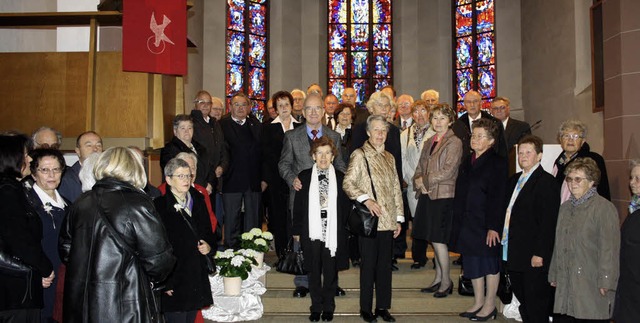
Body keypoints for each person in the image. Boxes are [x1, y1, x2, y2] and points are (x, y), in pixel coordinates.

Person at [59, 147, 176, 322]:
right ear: (134, 168)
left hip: (83, 301)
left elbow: (65, 249)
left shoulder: (81, 202)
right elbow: (159, 259)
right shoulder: (137, 204)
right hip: (125, 300)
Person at [279, 93, 347, 298]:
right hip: (302, 199)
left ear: (324, 111)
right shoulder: (292, 136)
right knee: (303, 240)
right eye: (309, 108)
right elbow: (283, 164)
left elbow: (341, 164)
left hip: (328, 199)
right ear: (303, 111)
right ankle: (303, 282)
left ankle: (331, 283)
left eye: (318, 108)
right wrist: (292, 179)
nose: (314, 112)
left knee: (329, 240)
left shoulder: (334, 136)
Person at [343, 115, 404, 323]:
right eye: (376, 130)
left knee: (385, 267)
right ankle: (365, 308)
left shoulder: (390, 157)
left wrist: (399, 218)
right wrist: (366, 200)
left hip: (387, 221)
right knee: (368, 266)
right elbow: (348, 183)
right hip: (369, 221)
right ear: (368, 132)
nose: (380, 134)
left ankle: (383, 307)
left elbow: (396, 188)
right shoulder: (359, 155)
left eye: (383, 131)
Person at [549, 157, 620, 323]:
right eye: (569, 179)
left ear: (592, 181)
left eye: (578, 179)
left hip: (591, 280)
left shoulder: (604, 208)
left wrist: (606, 281)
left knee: (589, 315)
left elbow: (609, 248)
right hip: (567, 278)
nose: (572, 183)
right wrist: (554, 273)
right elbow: (558, 243)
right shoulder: (565, 207)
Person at [452, 118, 507, 321]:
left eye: (480, 136)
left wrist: (494, 226)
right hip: (468, 222)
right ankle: (478, 301)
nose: (474, 139)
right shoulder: (468, 160)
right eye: (474, 135)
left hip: (486, 224)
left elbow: (498, 197)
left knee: (489, 264)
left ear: (491, 141)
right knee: (472, 263)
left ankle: (490, 304)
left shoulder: (497, 162)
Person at [501, 135, 560, 323]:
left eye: (529, 152)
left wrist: (540, 253)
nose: (523, 156)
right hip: (514, 250)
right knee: (523, 300)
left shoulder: (546, 182)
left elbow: (548, 222)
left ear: (540, 155)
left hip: (533, 254)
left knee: (536, 302)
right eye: (521, 152)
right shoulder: (515, 179)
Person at [291, 137, 350, 322]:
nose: (323, 157)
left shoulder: (341, 178)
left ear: (333, 156)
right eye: (319, 153)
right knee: (313, 271)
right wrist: (297, 231)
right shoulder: (305, 176)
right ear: (313, 156)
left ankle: (329, 307)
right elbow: (298, 206)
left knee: (331, 272)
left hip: (332, 233)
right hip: (311, 232)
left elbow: (346, 207)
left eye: (327, 153)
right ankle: (316, 306)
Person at [0, 134, 54, 322]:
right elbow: (19, 239)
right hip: (15, 292)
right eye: (25, 154)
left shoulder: (13, 188)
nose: (30, 159)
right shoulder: (8, 190)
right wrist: (44, 268)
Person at [155, 158, 215, 323]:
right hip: (175, 276)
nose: (186, 180)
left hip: (195, 274)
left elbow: (209, 232)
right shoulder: (160, 206)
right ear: (168, 179)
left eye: (188, 176)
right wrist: (165, 281)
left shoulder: (198, 200)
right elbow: (158, 246)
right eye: (180, 176)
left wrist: (209, 246)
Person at [412, 104, 462, 294]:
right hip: (427, 194)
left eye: (442, 118)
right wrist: (418, 180)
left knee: (440, 240)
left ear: (450, 121)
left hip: (443, 195)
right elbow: (420, 166)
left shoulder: (454, 142)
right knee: (433, 239)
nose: (438, 122)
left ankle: (447, 281)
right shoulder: (429, 141)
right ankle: (438, 278)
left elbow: (449, 170)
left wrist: (425, 180)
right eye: (435, 118)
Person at [26, 148, 69, 323]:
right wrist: (35, 272)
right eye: (44, 170)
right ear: (34, 174)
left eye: (56, 169)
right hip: (39, 280)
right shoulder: (25, 204)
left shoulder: (69, 205)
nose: (51, 174)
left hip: (63, 278)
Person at [219, 92, 265, 249]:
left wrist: (264, 178)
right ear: (230, 107)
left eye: (243, 105)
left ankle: (251, 252)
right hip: (231, 180)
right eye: (236, 104)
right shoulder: (222, 125)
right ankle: (231, 253)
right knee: (232, 220)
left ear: (249, 107)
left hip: (253, 181)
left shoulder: (256, 125)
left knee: (253, 221)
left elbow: (263, 154)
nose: (240, 108)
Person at [262, 91, 301, 258]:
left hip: (297, 179)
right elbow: (264, 156)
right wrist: (265, 179)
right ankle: (282, 253)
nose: (284, 108)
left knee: (295, 215)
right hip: (276, 180)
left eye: (287, 104)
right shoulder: (267, 128)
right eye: (280, 105)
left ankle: (296, 252)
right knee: (278, 217)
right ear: (275, 109)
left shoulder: (300, 127)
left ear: (292, 106)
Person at [401, 100, 437, 269]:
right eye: (415, 111)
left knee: (433, 220)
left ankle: (438, 255)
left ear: (428, 113)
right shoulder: (405, 134)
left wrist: (426, 179)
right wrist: (411, 178)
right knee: (417, 221)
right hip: (412, 184)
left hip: (431, 183)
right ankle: (419, 257)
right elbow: (402, 158)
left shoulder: (436, 132)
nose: (419, 115)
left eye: (423, 111)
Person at [553, 120, 610, 202]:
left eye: (575, 136)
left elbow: (601, 190)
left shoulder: (592, 159)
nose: (570, 140)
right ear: (560, 140)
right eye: (566, 136)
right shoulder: (559, 161)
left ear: (583, 141)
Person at [613, 159, 640, 323]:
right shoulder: (634, 207)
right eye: (631, 178)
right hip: (629, 286)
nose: (632, 183)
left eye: (638, 178)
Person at [190, 90, 227, 198]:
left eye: (208, 103)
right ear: (196, 104)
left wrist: (222, 165)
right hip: (201, 179)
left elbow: (223, 148)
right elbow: (196, 154)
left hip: (215, 178)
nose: (206, 106)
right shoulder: (191, 123)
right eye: (202, 102)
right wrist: (206, 180)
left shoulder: (214, 123)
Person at [452, 90, 507, 162]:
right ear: (464, 105)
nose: (472, 105)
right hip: (466, 167)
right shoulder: (457, 125)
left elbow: (502, 150)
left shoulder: (494, 123)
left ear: (481, 103)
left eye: (475, 101)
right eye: (468, 102)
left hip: (490, 165)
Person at [161, 115, 212, 190]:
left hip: (204, 189)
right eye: (182, 128)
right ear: (175, 131)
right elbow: (173, 172)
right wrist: (203, 185)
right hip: (182, 190)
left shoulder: (201, 148)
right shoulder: (168, 150)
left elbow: (210, 167)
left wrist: (210, 183)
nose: (186, 131)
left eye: (189, 128)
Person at [58, 131, 103, 202]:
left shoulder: (106, 174)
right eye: (89, 145)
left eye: (98, 145)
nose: (95, 149)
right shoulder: (66, 178)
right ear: (78, 151)